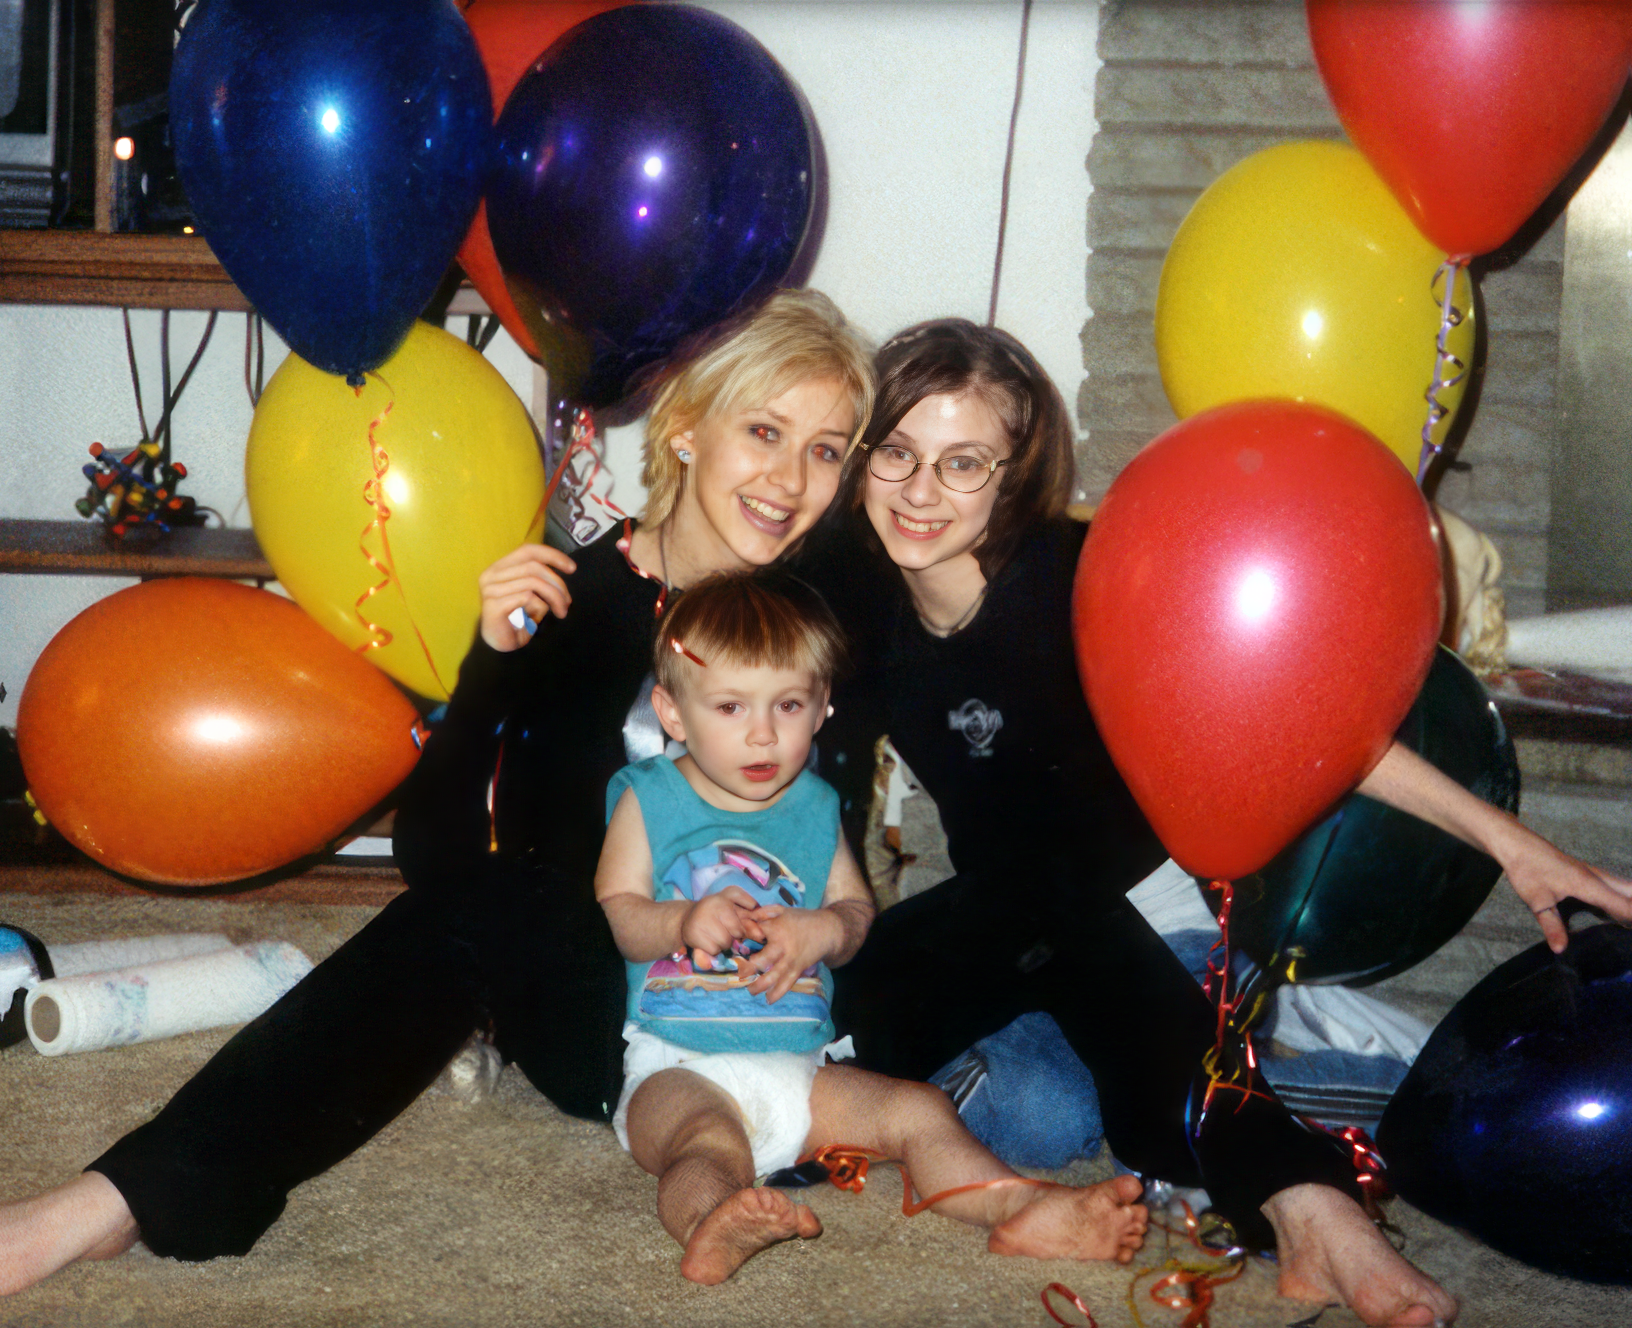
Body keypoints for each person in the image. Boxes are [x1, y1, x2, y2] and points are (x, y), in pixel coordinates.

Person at [0, 288, 877, 1296]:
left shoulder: (828, 615)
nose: (790, 478)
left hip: (790, 1018)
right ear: (684, 425)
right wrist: (491, 666)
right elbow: (435, 859)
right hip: (612, 1028)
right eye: (764, 430)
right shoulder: (570, 598)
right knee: (496, 902)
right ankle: (115, 1202)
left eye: (826, 449)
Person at [799, 318, 1632, 1328]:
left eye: (963, 461)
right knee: (977, 1031)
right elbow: (719, 624)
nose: (919, 491)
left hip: (1152, 914)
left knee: (1045, 1094)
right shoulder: (852, 576)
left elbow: (1298, 720)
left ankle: (1307, 1187)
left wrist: (1510, 842)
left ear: (1017, 472)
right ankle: (1269, 1082)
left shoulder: (1080, 576)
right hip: (1001, 925)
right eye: (897, 451)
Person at [597, 573, 1148, 1284]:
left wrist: (823, 932)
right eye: (730, 706)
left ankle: (1017, 1206)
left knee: (918, 1110)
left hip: (803, 1072)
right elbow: (621, 916)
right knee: (705, 1144)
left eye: (789, 705)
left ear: (823, 706)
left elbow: (856, 915)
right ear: (672, 713)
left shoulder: (815, 806)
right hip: (677, 1065)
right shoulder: (650, 798)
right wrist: (681, 918)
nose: (762, 733)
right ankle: (713, 1224)